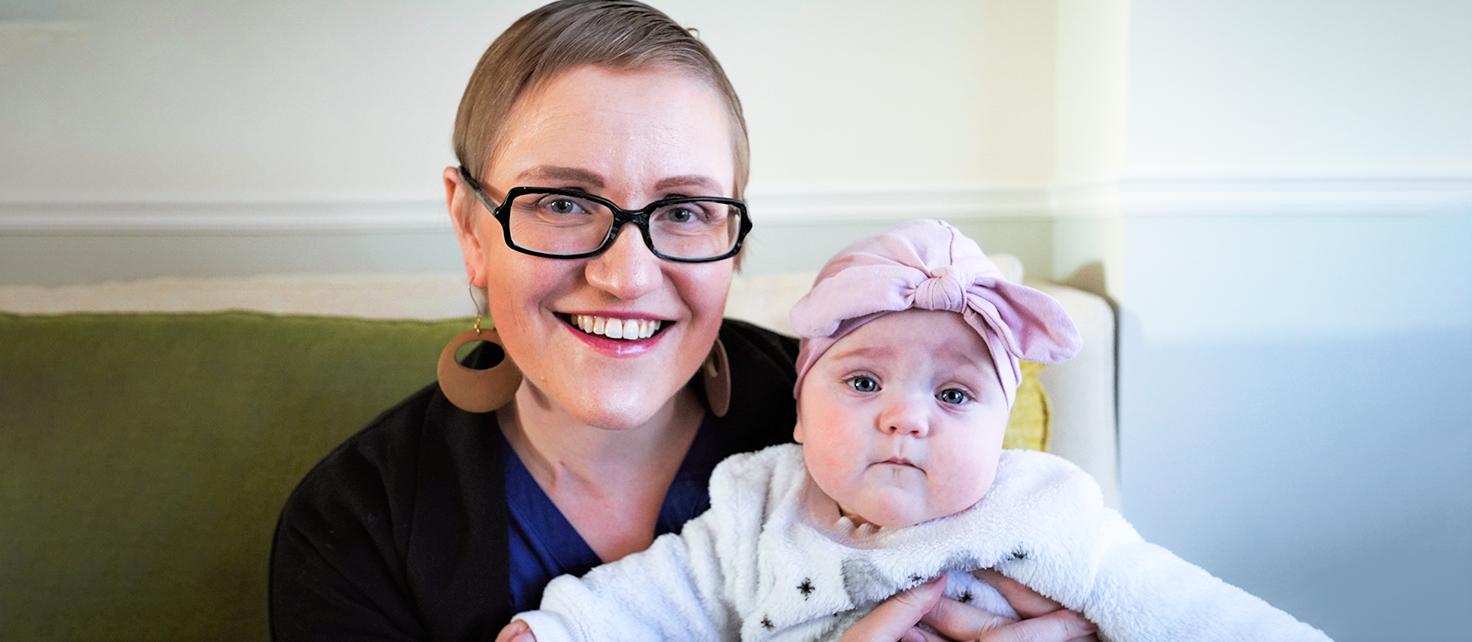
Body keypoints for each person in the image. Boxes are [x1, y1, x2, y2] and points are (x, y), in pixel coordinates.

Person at [270, 2, 1094, 640]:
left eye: (687, 209)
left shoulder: (879, 420)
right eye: (561, 202)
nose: (625, 275)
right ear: (468, 225)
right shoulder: (356, 522)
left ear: (732, 236)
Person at [496, 220, 1332, 642]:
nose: (906, 416)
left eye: (958, 396)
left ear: (1004, 430)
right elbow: (658, 598)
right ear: (800, 407)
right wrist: (561, 629)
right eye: (863, 381)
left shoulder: (1037, 508)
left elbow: (1173, 603)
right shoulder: (757, 502)